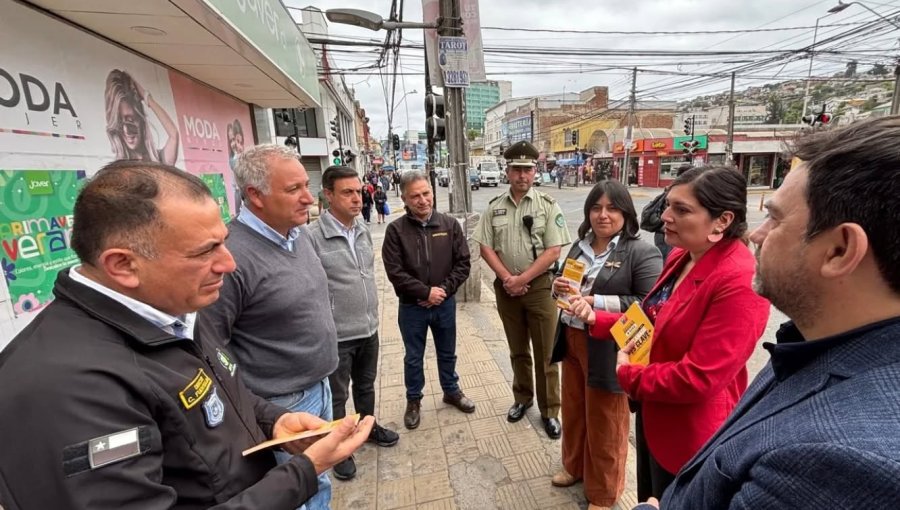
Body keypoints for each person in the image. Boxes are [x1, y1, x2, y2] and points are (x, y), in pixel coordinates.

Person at [0, 160, 373, 509]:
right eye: (206, 251)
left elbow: (219, 393)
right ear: (123, 264)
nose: (229, 263)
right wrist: (303, 472)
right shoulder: (64, 390)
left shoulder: (170, 310)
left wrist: (272, 421)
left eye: (223, 240)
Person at [634, 117, 900, 509]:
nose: (757, 235)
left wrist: (630, 375)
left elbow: (702, 377)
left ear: (840, 250)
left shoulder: (840, 463)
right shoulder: (813, 344)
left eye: (775, 218)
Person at [569, 166, 770, 500]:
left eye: (681, 210)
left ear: (722, 221)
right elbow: (653, 322)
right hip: (655, 412)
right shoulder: (682, 255)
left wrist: (630, 376)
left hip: (689, 435)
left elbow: (699, 377)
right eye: (667, 205)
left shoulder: (738, 280)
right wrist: (597, 319)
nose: (665, 217)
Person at [201, 144, 339, 510]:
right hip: (280, 406)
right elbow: (211, 349)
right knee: (296, 491)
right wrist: (261, 412)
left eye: (306, 185)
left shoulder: (299, 235)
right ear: (255, 195)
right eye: (294, 189)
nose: (308, 197)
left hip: (320, 386)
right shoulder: (231, 258)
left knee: (318, 479)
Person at [549, 181, 662, 509]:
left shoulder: (640, 252)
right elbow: (565, 287)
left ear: (626, 213)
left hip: (610, 346)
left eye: (612, 208)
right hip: (572, 339)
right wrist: (557, 287)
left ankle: (603, 492)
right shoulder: (579, 245)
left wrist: (596, 302)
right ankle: (574, 466)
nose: (603, 215)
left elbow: (647, 304)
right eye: (596, 208)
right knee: (573, 410)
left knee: (605, 421)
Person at [473, 140, 572, 439]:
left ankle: (550, 410)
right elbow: (485, 247)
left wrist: (522, 278)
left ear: (535, 171)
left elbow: (553, 251)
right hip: (507, 290)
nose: (522, 175)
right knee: (517, 350)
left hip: (540, 288)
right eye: (516, 169)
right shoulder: (495, 207)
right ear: (507, 171)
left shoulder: (547, 205)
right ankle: (522, 398)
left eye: (527, 169)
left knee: (546, 354)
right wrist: (508, 279)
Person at [308, 166, 399, 482]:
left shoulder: (361, 228)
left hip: (368, 328)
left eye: (358, 192)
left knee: (365, 386)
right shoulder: (312, 238)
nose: (357, 198)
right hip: (337, 335)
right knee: (337, 396)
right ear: (328, 195)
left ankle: (367, 428)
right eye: (347, 192)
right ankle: (337, 449)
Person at [382, 171, 474, 430]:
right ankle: (413, 400)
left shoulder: (449, 225)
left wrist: (441, 291)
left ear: (433, 192)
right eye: (415, 196)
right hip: (412, 308)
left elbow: (463, 263)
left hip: (444, 304)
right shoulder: (395, 231)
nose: (422, 200)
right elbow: (395, 272)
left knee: (447, 352)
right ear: (404, 199)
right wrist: (424, 293)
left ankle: (451, 390)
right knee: (413, 357)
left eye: (426, 193)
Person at [104, 69, 180, 165]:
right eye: (119, 123)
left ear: (141, 120)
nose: (126, 130)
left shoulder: (158, 159)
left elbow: (174, 134)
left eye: (130, 121)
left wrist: (146, 96)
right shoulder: (120, 168)